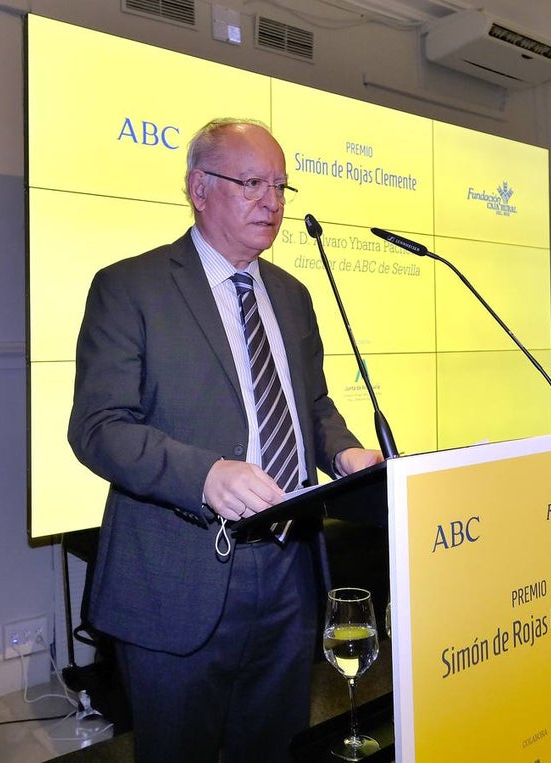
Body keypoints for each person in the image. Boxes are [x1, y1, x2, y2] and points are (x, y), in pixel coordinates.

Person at [67, 117, 383, 763]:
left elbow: (312, 405)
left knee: (274, 745)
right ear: (198, 187)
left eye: (281, 185)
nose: (273, 201)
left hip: (290, 569)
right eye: (252, 183)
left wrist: (344, 450)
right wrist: (206, 473)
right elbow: (99, 427)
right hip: (180, 572)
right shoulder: (131, 287)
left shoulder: (292, 295)